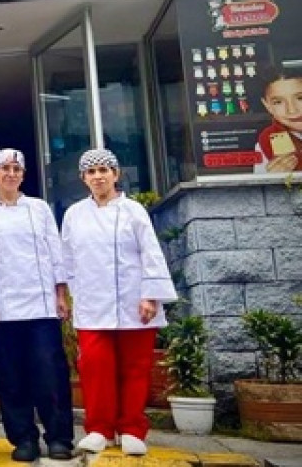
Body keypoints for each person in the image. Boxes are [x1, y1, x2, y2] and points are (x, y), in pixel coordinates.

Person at [61, 148, 177, 456]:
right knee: (95, 367)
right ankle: (99, 428)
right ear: (83, 178)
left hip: (134, 301)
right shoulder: (74, 214)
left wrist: (150, 295)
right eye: (91, 172)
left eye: (104, 170)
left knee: (135, 368)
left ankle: (132, 429)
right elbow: (67, 260)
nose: (98, 176)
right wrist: (72, 295)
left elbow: (151, 252)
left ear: (116, 174)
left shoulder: (134, 211)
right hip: (92, 303)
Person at [0, 148, 73, 462]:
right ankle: (23, 439)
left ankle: (59, 437)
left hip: (41, 304)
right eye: (4, 168)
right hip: (3, 306)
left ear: (23, 174)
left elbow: (55, 251)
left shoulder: (39, 208)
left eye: (16, 168)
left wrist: (60, 293)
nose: (11, 173)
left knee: (49, 372)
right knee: (10, 377)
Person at [253, 65, 302, 173]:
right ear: (268, 106)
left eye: (300, 98)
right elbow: (259, 185)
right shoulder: (266, 142)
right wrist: (273, 179)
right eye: (278, 102)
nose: (292, 110)